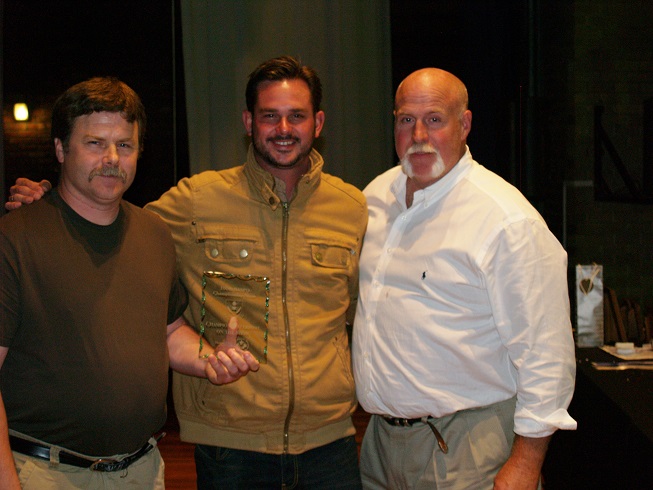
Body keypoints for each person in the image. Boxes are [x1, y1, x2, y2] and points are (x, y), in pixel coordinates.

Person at [7, 57, 368, 489]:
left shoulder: (353, 208)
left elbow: (358, 314)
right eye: (270, 115)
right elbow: (100, 208)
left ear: (319, 122)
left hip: (328, 445)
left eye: (297, 116)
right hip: (230, 447)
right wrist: (47, 201)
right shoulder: (194, 201)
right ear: (248, 122)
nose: (284, 128)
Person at [0, 77, 258, 489]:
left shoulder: (154, 233)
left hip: (142, 470)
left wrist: (211, 361)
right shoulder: (15, 239)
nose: (112, 158)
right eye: (94, 143)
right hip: (44, 472)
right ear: (61, 149)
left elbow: (168, 332)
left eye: (124, 145)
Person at [352, 68, 577, 489]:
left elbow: (546, 353)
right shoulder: (373, 198)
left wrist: (526, 464)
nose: (419, 135)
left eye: (434, 119)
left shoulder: (506, 220)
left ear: (465, 124)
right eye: (406, 119)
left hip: (467, 450)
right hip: (380, 444)